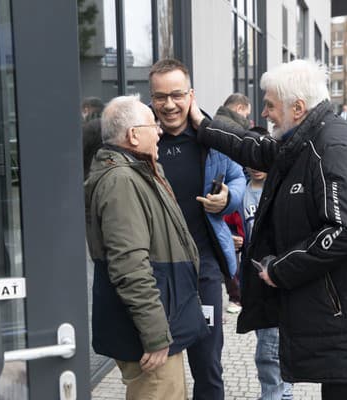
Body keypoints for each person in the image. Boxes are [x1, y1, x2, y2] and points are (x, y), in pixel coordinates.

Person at [188, 59, 347, 400]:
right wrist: (204, 126)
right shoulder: (306, 139)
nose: (266, 113)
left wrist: (281, 269)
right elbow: (255, 148)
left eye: (270, 105)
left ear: (297, 108)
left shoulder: (333, 148)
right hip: (345, 324)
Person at [85, 95, 209, 400]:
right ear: (132, 135)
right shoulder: (122, 181)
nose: (160, 131)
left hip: (160, 325)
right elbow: (129, 266)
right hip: (149, 336)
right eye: (152, 124)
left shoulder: (139, 171)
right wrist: (155, 336)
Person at [149, 59, 246, 400]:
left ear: (190, 94)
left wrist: (228, 198)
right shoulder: (143, 137)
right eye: (160, 97)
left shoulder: (212, 135)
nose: (169, 104)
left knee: (207, 363)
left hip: (203, 266)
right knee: (161, 367)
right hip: (156, 270)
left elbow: (238, 179)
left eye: (177, 94)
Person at [238, 126, 293, 400]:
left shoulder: (282, 190)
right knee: (274, 360)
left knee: (270, 360)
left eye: (262, 160)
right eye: (251, 160)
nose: (255, 167)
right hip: (256, 289)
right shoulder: (241, 192)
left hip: (276, 287)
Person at [214, 92, 252, 314]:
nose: (247, 118)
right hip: (230, 195)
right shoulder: (234, 129)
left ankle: (236, 296)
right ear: (239, 109)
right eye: (246, 114)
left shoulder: (214, 124)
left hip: (223, 192)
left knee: (231, 241)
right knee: (236, 241)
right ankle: (237, 296)